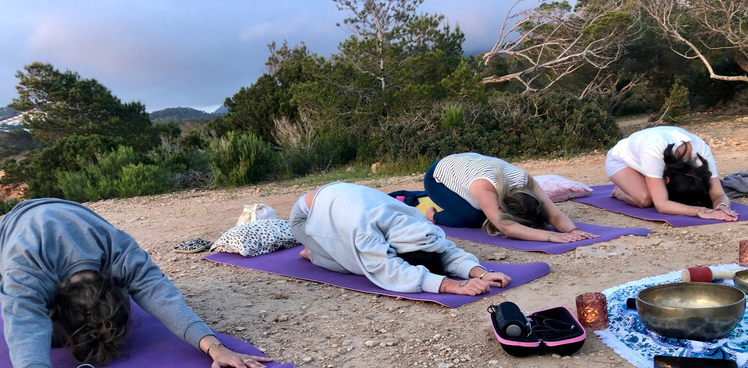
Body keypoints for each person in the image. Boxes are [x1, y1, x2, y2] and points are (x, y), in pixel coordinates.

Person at [0, 198, 272, 368]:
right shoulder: (26, 270)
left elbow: (158, 292)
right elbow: (24, 327)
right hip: (3, 244)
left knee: (111, 314)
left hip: (69, 216)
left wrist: (214, 346)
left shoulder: (117, 249)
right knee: (50, 338)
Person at [289, 182, 511, 295]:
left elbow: (444, 250)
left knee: (364, 254)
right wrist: (453, 285)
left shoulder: (416, 223)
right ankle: (314, 252)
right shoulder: (365, 230)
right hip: (305, 217)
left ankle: (322, 247)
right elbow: (387, 270)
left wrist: (480, 272)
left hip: (340, 200)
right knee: (360, 265)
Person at [423, 152, 598, 243]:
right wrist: (550, 236)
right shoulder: (484, 186)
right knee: (475, 217)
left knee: (486, 213)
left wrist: (573, 231)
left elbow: (554, 214)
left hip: (469, 164)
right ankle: (433, 216)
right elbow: (507, 228)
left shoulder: (526, 181)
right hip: (437, 178)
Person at [605, 126, 738, 221]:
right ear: (667, 180)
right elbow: (662, 205)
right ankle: (620, 191)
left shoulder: (700, 151)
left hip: (649, 158)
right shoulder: (653, 152)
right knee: (646, 199)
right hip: (621, 161)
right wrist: (700, 211)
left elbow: (719, 193)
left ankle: (644, 181)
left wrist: (722, 206)